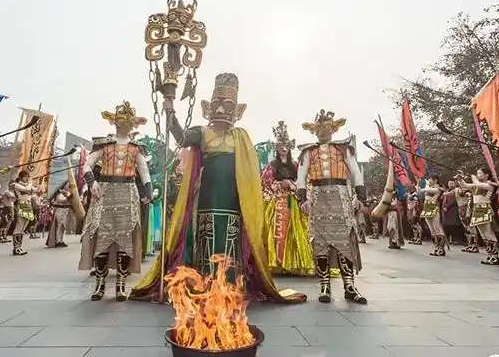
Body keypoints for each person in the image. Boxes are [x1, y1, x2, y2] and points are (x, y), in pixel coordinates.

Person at [131, 73, 306, 304]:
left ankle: (230, 284)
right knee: (207, 235)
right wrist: (170, 112)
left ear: (238, 110)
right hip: (206, 197)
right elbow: (181, 138)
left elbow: (249, 172)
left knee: (230, 238)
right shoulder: (202, 133)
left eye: (227, 105)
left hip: (234, 199)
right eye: (217, 105)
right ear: (208, 107)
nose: (222, 110)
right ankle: (205, 282)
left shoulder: (241, 137)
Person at [78, 101, 153, 302]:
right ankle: (100, 284)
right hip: (104, 192)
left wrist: (148, 187)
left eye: (128, 120)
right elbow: (87, 164)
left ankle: (121, 283)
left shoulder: (137, 148)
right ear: (114, 121)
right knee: (102, 236)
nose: (124, 123)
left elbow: (144, 171)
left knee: (125, 238)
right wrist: (91, 181)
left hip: (128, 193)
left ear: (134, 123)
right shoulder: (104, 145)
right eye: (120, 119)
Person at [296, 109, 367, 304]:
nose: (323, 131)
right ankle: (324, 286)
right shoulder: (308, 151)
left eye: (327, 127)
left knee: (345, 240)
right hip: (318, 197)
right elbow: (301, 176)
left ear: (334, 129)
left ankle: (349, 286)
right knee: (320, 243)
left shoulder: (344, 149)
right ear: (314, 130)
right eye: (319, 127)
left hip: (341, 195)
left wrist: (360, 196)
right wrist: (302, 199)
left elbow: (354, 171)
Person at [261, 120, 313, 276]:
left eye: (286, 144)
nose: (283, 148)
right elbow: (265, 182)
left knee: (295, 232)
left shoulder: (296, 165)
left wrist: (293, 185)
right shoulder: (271, 165)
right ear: (277, 148)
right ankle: (275, 263)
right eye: (280, 145)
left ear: (290, 147)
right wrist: (279, 185)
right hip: (276, 201)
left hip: (293, 202)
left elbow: (305, 180)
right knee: (276, 231)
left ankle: (294, 263)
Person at [457, 167, 499, 265]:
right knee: (483, 234)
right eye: (477, 173)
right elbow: (465, 185)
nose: (478, 175)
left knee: (488, 233)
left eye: (480, 173)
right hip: (477, 209)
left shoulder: (489, 185)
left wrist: (472, 177)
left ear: (486, 175)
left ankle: (495, 256)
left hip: (485, 208)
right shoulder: (477, 185)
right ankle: (489, 255)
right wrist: (460, 178)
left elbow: (477, 184)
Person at [9, 171, 40, 256]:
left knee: (23, 228)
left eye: (28, 177)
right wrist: (30, 182)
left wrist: (39, 183)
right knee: (19, 226)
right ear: (21, 177)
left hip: (28, 206)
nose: (27, 178)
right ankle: (16, 248)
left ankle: (19, 246)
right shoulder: (16, 185)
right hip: (21, 205)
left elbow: (37, 190)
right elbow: (27, 189)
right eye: (26, 177)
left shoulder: (27, 185)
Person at [419, 176, 447, 257]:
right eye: (429, 180)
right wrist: (418, 184)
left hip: (434, 207)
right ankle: (436, 247)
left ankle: (441, 249)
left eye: (430, 180)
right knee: (431, 229)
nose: (429, 181)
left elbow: (428, 190)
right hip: (427, 208)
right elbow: (420, 191)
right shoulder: (429, 188)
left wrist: (424, 188)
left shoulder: (437, 188)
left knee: (437, 227)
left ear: (435, 180)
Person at [47, 182, 73, 249]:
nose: (69, 186)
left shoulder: (68, 192)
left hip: (66, 211)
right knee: (59, 226)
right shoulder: (59, 193)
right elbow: (62, 200)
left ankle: (61, 240)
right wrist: (68, 197)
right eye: (67, 185)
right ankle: (57, 241)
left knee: (63, 227)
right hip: (60, 210)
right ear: (64, 186)